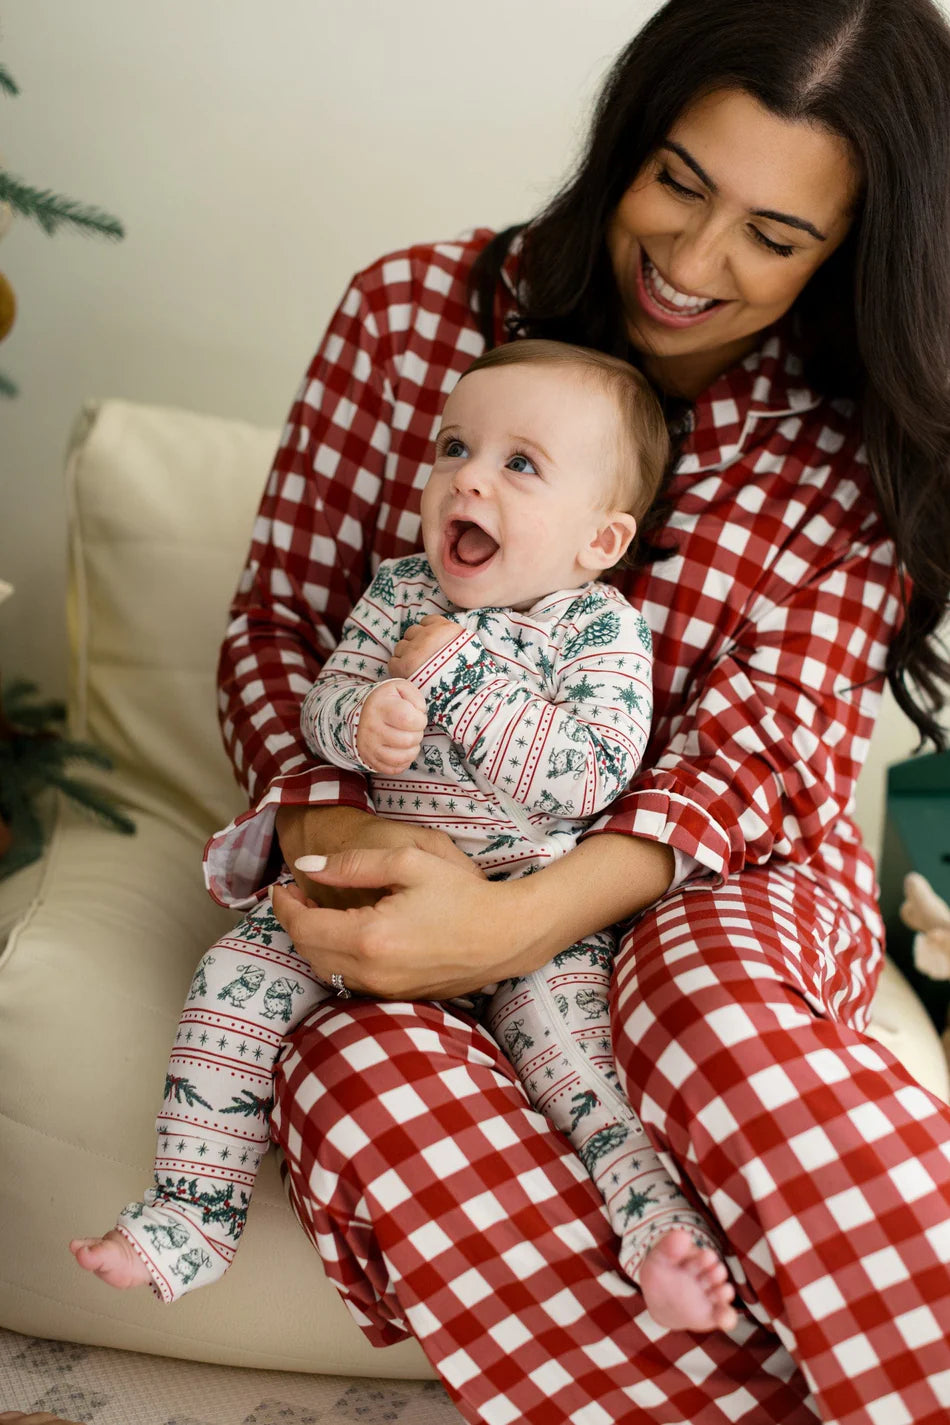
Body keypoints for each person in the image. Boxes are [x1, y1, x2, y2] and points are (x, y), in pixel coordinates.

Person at [87, 0, 950, 1418]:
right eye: (678, 180)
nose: (690, 258)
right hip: (402, 835)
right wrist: (347, 837)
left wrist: (513, 919)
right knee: (358, 1068)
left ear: (845, 251)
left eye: (772, 237)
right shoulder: (408, 312)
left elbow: (758, 762)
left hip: (715, 871)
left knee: (703, 1000)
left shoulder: (851, 433)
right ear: (627, 136)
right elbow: (280, 626)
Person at [69, 340, 739, 1334]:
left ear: (600, 540)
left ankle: (651, 1228)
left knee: (582, 1069)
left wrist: (461, 684)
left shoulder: (600, 629)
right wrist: (365, 717)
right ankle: (190, 1216)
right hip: (366, 891)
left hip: (527, 918)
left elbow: (585, 776)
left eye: (519, 464)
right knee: (229, 987)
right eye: (452, 448)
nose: (466, 475)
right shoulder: (396, 595)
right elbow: (324, 711)